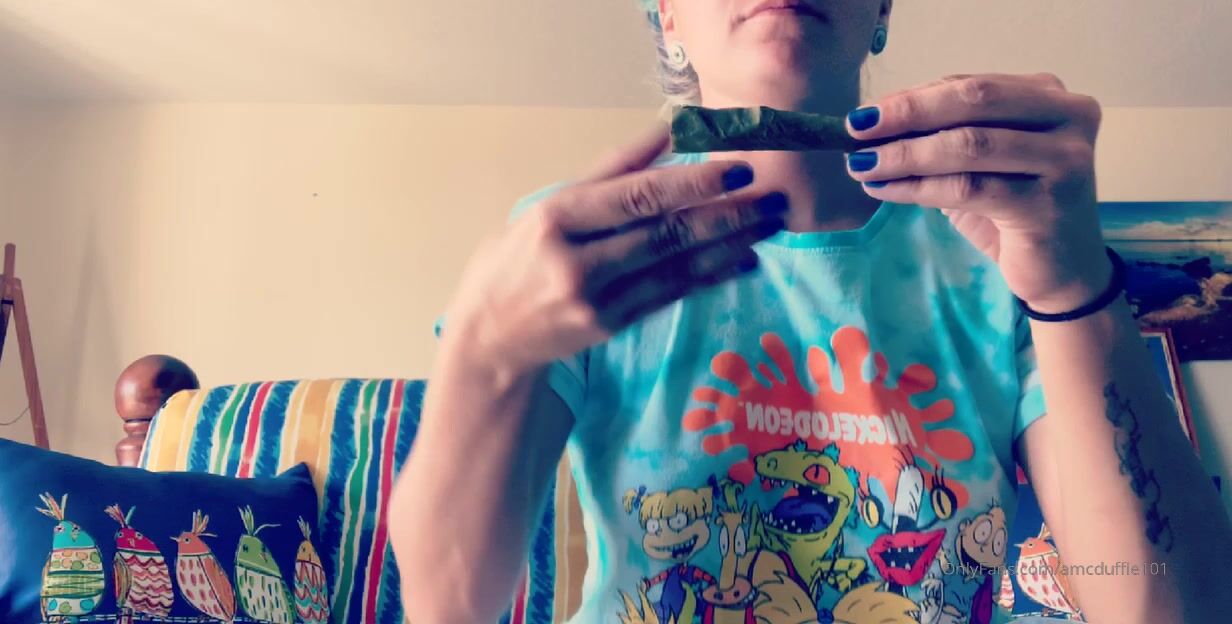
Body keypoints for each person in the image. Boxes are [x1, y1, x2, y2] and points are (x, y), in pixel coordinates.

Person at [389, 1, 1232, 622]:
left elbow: (1169, 609)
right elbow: (449, 604)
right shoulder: (577, 252)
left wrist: (1072, 291)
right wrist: (484, 352)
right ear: (667, 15)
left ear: (881, 12)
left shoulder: (1004, 252)